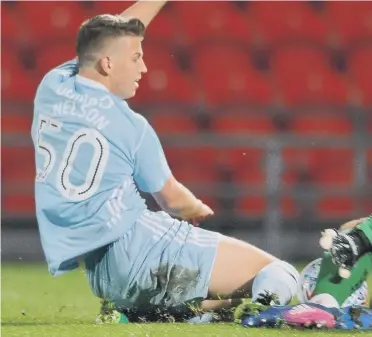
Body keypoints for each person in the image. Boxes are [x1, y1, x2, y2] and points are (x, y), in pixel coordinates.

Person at [31, 0, 299, 320]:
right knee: (279, 273)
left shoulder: (52, 86)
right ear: (108, 64)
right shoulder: (130, 126)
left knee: (226, 302)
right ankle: (270, 315)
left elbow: (109, 33)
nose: (143, 67)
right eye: (136, 57)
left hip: (103, 275)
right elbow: (174, 201)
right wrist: (198, 208)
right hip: (146, 247)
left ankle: (152, 313)